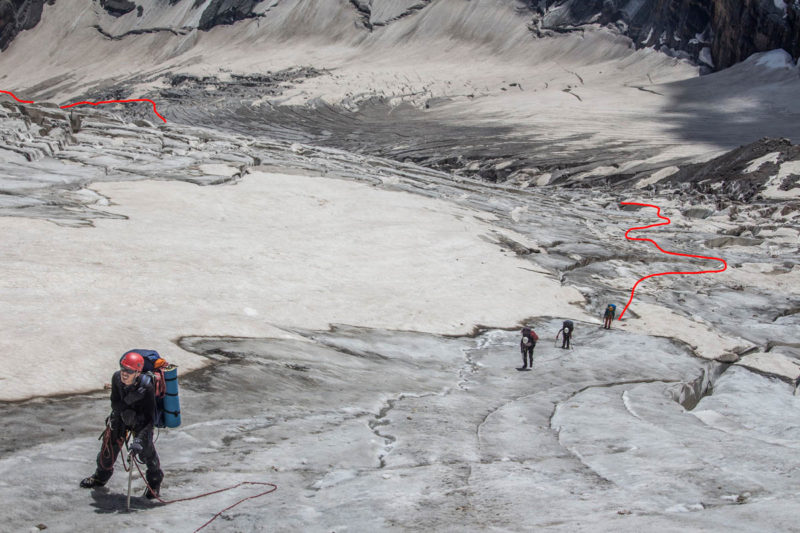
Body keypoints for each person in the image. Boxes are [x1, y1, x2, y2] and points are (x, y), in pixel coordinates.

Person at [80, 351, 164, 499]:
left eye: (129, 371)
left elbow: (149, 419)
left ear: (137, 372)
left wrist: (138, 440)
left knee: (146, 452)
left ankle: (155, 481)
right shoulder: (117, 378)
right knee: (108, 449)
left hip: (141, 420)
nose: (124, 373)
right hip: (121, 415)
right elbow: (115, 404)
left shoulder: (148, 387)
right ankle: (100, 477)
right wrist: (131, 399)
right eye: (123, 368)